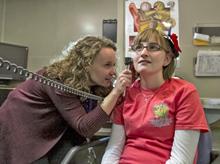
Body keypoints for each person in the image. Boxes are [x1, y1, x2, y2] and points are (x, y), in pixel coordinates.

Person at [0, 36, 132, 164]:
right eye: (107, 65)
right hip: (22, 130)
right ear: (86, 65)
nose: (113, 72)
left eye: (114, 65)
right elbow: (85, 127)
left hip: (53, 130)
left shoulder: (96, 82)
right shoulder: (56, 79)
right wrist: (115, 92)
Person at [101, 28, 209, 164]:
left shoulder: (185, 92)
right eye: (138, 48)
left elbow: (181, 160)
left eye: (153, 47)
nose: (144, 53)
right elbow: (113, 149)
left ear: (167, 59)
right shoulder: (124, 92)